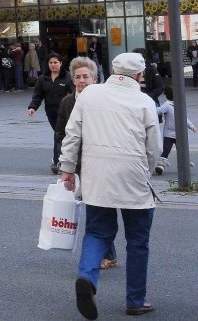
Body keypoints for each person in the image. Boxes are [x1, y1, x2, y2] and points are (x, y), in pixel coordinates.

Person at [59, 52, 161, 320]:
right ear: (139, 76)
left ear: (113, 70)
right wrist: (146, 172)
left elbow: (72, 135)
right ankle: (135, 300)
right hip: (134, 176)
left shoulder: (90, 95)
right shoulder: (145, 102)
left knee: (97, 232)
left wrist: (67, 169)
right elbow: (154, 148)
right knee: (138, 240)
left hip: (97, 175)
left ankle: (87, 277)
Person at [55, 56, 118, 271]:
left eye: (86, 76)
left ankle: (105, 253)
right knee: (94, 209)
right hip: (77, 162)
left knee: (98, 209)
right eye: (78, 77)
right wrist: (63, 163)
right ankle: (104, 252)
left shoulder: (105, 99)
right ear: (73, 80)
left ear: (95, 78)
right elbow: (61, 133)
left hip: (100, 162)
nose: (82, 80)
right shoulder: (67, 102)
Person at [28, 53, 73, 173]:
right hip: (51, 112)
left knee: (59, 134)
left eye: (55, 62)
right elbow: (38, 95)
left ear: (61, 63)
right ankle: (60, 159)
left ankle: (57, 160)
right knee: (59, 135)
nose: (53, 65)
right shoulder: (43, 78)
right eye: (51, 63)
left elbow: (74, 94)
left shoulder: (67, 77)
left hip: (64, 112)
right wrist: (33, 107)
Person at [153, 86, 196, 175]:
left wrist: (153, 107)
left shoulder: (170, 105)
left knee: (167, 149)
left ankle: (162, 165)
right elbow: (185, 118)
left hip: (170, 132)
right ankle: (181, 164)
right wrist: (191, 126)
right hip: (176, 132)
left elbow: (158, 111)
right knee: (179, 149)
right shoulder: (169, 105)